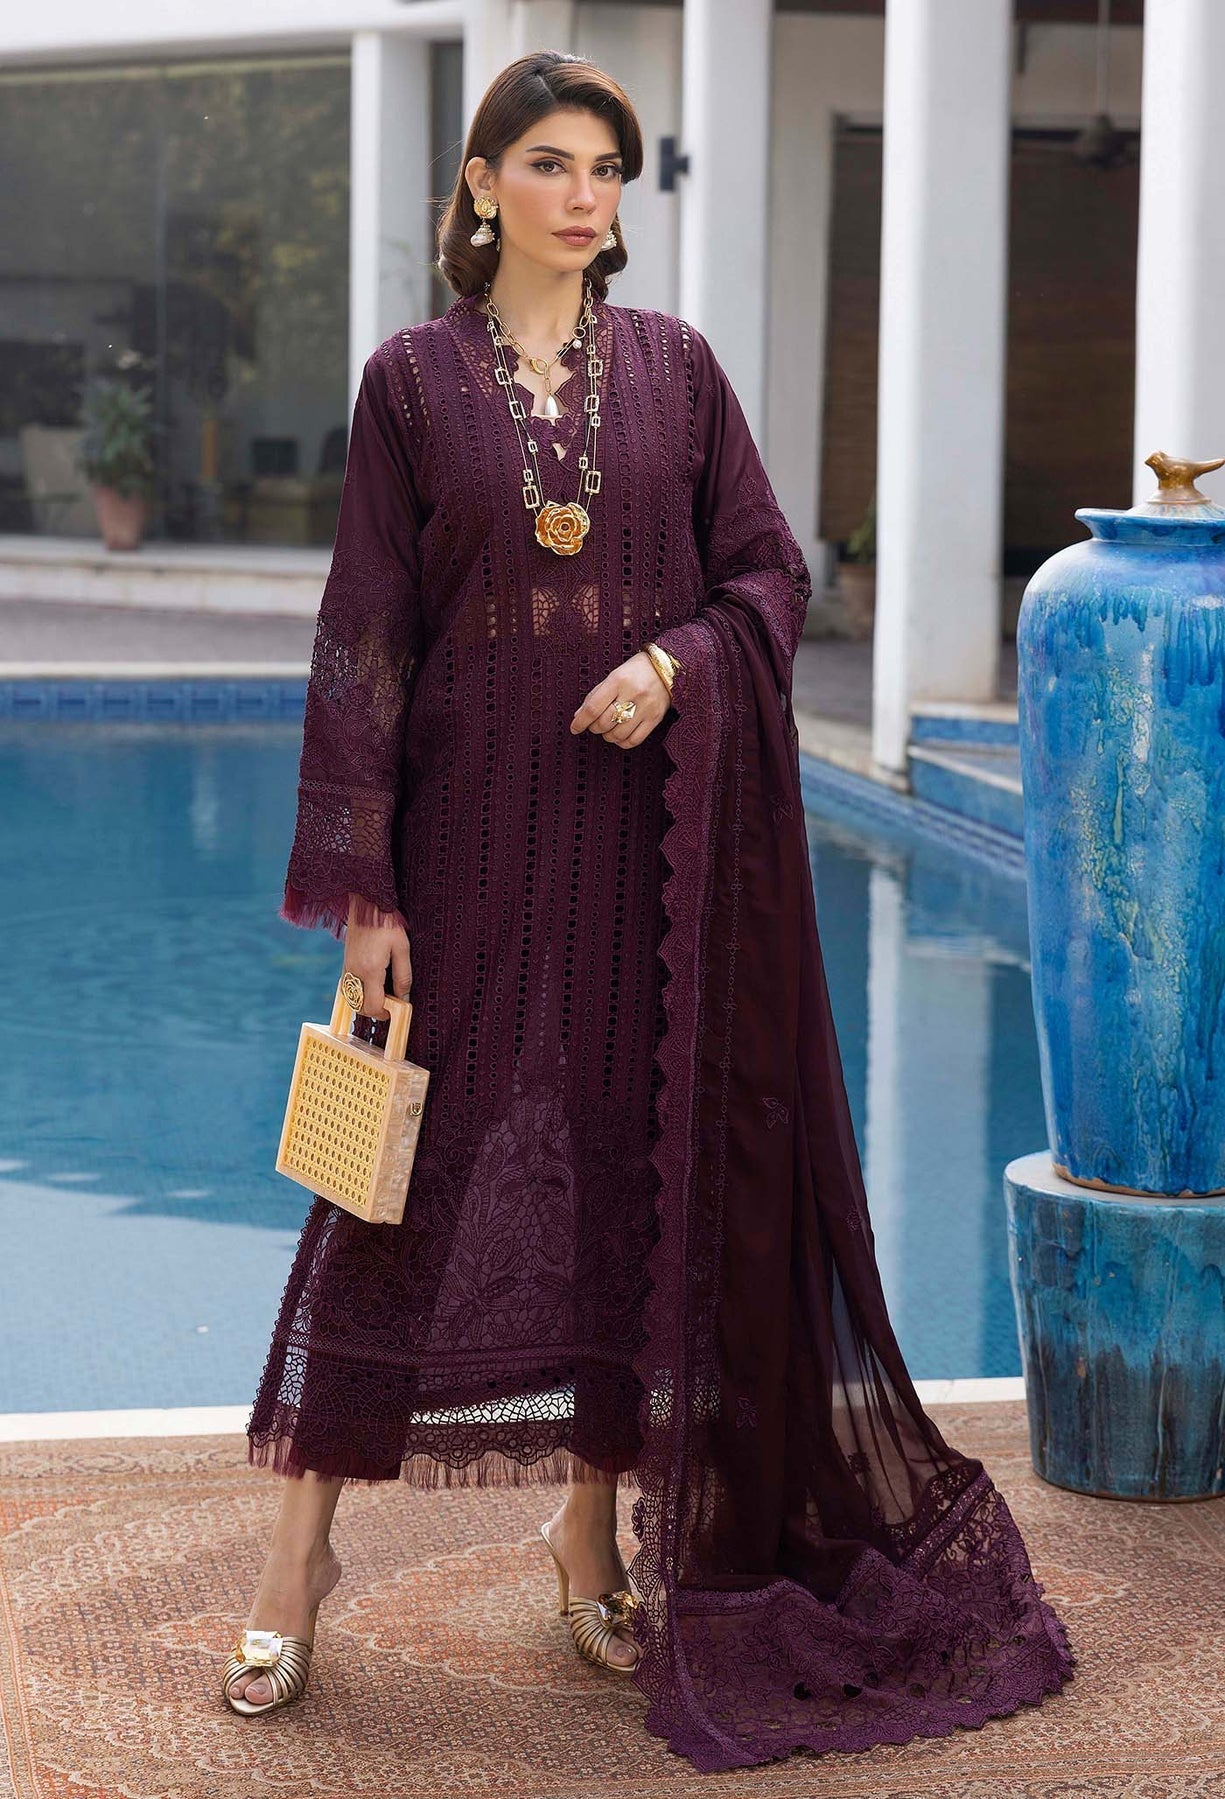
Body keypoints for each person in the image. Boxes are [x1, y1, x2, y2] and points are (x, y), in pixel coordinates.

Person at [222, 49, 1073, 1774]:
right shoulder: (410, 386)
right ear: (482, 187)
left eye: (605, 167)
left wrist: (677, 665)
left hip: (643, 852)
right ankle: (296, 1566)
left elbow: (767, 569)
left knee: (631, 1181)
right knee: (392, 1201)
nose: (584, 194)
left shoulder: (677, 373)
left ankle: (587, 1541)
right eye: (548, 163)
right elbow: (363, 640)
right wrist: (364, 889)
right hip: (467, 849)